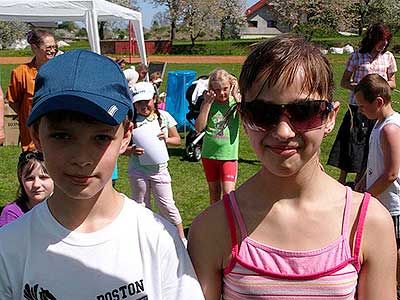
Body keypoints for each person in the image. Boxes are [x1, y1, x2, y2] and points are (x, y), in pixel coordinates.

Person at [188, 35, 396, 299]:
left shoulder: (368, 222)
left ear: (330, 117)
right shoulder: (212, 228)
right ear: (244, 116)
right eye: (264, 114)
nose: (283, 131)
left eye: (304, 111)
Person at [0, 50, 204, 299]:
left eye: (101, 137)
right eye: (62, 136)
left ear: (126, 136)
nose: (81, 159)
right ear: (36, 136)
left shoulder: (159, 240)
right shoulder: (9, 248)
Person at [327, 23, 397, 187]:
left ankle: (360, 181)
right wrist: (358, 87)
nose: (384, 44)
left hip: (377, 109)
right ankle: (342, 180)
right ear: (372, 39)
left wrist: (379, 86)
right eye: (381, 40)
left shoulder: (388, 57)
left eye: (386, 41)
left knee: (370, 145)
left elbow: (392, 83)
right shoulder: (357, 56)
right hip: (357, 107)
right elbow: (344, 82)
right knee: (349, 141)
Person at [353, 73, 400, 292]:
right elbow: (376, 162)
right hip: (379, 200)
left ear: (378, 102)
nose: (360, 110)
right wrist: (362, 180)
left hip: (391, 204)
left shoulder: (391, 128)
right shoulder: (379, 123)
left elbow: (391, 173)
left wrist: (366, 198)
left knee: (394, 247)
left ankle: (394, 286)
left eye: (362, 106)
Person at [125, 81, 186, 241]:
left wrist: (166, 138)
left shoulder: (164, 117)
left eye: (147, 101)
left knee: (167, 205)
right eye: (138, 103)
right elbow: (121, 147)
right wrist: (130, 151)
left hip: (159, 170)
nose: (143, 105)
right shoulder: (130, 122)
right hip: (138, 171)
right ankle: (145, 238)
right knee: (141, 205)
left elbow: (177, 140)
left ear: (154, 99)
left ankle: (181, 238)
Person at [195, 68, 241, 204]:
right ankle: (216, 223)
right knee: (214, 193)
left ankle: (229, 222)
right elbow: (199, 128)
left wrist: (237, 98)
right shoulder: (209, 102)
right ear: (211, 89)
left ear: (231, 86)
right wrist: (207, 104)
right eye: (217, 90)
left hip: (228, 155)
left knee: (228, 194)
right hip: (209, 154)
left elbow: (249, 122)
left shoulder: (235, 102)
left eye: (225, 89)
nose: (221, 93)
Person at [6, 29, 57, 151]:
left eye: (55, 47)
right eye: (48, 47)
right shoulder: (20, 72)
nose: (53, 50)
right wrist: (28, 116)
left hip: (57, 136)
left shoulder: (61, 70)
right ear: (34, 48)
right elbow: (13, 101)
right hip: (32, 141)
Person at [0, 150, 53, 227]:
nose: (36, 184)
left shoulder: (65, 209)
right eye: (30, 179)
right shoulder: (12, 214)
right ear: (21, 181)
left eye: (43, 177)